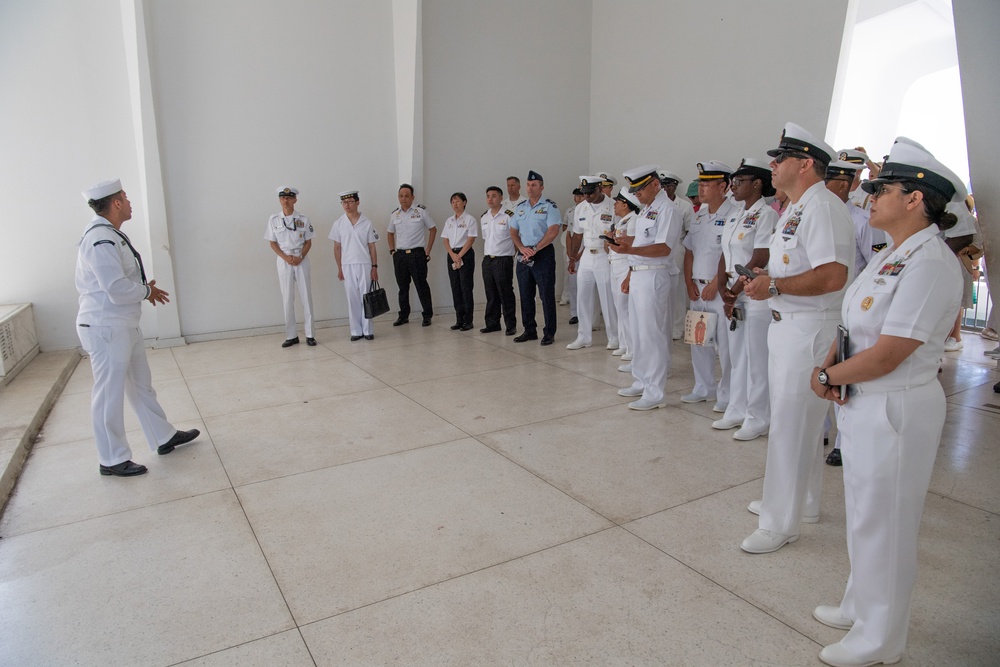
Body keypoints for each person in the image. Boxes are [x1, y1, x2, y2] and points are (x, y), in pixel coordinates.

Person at [808, 141, 964, 667]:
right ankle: (861, 604)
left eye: (881, 190)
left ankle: (882, 637)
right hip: (862, 402)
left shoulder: (931, 264)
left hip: (896, 407)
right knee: (865, 513)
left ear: (916, 199)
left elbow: (891, 353)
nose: (869, 197)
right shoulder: (890, 253)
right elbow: (854, 326)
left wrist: (827, 374)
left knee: (888, 523)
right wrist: (834, 362)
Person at [741, 122, 854, 554]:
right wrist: (771, 282)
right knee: (804, 424)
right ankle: (801, 502)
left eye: (781, 158)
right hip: (790, 325)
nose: (772, 164)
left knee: (790, 426)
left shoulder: (822, 206)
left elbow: (832, 274)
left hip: (807, 327)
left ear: (806, 164)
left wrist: (775, 287)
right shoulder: (796, 206)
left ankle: (778, 523)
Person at [75, 179, 199, 477]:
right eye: (126, 198)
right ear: (116, 203)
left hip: (123, 324)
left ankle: (163, 436)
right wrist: (146, 291)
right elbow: (115, 288)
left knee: (141, 385)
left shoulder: (111, 235)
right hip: (106, 326)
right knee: (108, 394)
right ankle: (111, 458)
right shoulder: (99, 239)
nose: (129, 203)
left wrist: (143, 290)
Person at [714, 158, 778, 441]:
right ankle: (737, 409)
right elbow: (725, 253)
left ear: (757, 184)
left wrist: (735, 291)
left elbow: (760, 257)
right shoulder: (734, 214)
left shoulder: (767, 215)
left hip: (753, 294)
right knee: (736, 356)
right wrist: (722, 288)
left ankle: (758, 417)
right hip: (733, 290)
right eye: (734, 182)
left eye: (740, 182)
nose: (734, 187)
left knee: (756, 359)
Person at [615, 165, 683, 410]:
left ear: (655, 184)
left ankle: (655, 392)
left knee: (652, 335)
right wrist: (625, 241)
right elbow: (645, 241)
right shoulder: (648, 210)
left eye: (640, 188)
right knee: (639, 333)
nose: (637, 194)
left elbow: (664, 248)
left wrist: (630, 249)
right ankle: (641, 380)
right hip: (639, 274)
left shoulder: (668, 210)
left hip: (654, 276)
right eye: (634, 189)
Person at [682, 161, 736, 411]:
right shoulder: (699, 214)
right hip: (697, 287)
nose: (700, 189)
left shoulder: (735, 214)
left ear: (723, 186)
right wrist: (688, 282)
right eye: (700, 183)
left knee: (725, 346)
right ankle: (703, 387)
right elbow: (690, 250)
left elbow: (731, 254)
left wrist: (717, 282)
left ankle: (726, 395)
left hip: (719, 289)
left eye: (706, 184)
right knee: (698, 340)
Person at [509, 170, 561, 345]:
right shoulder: (521, 207)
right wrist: (522, 248)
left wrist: (535, 249)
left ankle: (549, 332)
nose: (530, 188)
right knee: (525, 293)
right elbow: (513, 231)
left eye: (534, 185)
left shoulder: (549, 206)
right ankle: (529, 330)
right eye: (528, 185)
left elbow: (553, 231)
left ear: (541, 187)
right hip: (524, 254)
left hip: (543, 253)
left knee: (546, 294)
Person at [566, 175, 618, 351]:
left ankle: (614, 337)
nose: (586, 196)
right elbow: (577, 235)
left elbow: (619, 234)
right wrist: (573, 259)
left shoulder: (613, 206)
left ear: (599, 189)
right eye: (584, 192)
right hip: (587, 255)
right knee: (583, 296)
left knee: (607, 297)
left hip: (605, 255)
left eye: (590, 193)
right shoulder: (581, 208)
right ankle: (583, 336)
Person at [265, 186, 316, 347]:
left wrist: (300, 256)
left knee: (306, 296)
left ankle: (310, 334)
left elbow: (309, 242)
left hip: (301, 258)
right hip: (284, 260)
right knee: (287, 298)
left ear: (295, 199)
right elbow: (272, 243)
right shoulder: (274, 220)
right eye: (283, 197)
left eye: (289, 197)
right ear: (280, 200)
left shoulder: (303, 219)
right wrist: (286, 257)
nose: (286, 200)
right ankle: (291, 335)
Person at [330, 190, 378, 341]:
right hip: (347, 265)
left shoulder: (367, 222)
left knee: (366, 297)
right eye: (344, 202)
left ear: (357, 202)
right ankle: (356, 331)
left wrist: (374, 267)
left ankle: (367, 330)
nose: (347, 205)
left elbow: (372, 247)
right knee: (352, 299)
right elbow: (337, 247)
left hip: (365, 263)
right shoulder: (338, 224)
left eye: (350, 201)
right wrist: (339, 268)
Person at [387, 183, 436, 327]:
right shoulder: (394, 214)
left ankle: (427, 315)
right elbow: (390, 233)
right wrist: (392, 251)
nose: (403, 198)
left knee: (421, 285)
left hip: (417, 254)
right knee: (402, 288)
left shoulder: (420, 212)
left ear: (412, 197)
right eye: (401, 196)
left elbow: (433, 229)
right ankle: (403, 316)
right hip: (400, 256)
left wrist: (428, 250)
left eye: (407, 196)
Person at [662, 171, 695, 340]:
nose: (665, 189)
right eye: (663, 185)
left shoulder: (684, 206)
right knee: (662, 289)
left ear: (675, 187)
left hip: (678, 250)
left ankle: (677, 326)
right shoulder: (657, 205)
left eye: (669, 186)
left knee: (678, 290)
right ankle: (665, 324)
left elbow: (691, 232)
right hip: (659, 252)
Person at [480, 186, 517, 335]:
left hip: (503, 259)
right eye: (488, 196)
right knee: (491, 293)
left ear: (501, 198)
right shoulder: (484, 217)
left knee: (505, 292)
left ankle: (510, 325)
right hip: (488, 259)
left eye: (494, 196)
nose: (490, 199)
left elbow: (515, 237)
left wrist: (512, 255)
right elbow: (485, 238)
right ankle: (492, 323)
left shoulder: (509, 215)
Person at [609, 187, 641, 364]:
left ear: (626, 204)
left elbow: (633, 246)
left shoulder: (634, 220)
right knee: (619, 307)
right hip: (615, 265)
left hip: (625, 266)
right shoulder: (622, 221)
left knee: (625, 308)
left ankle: (632, 348)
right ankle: (624, 343)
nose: (615, 205)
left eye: (618, 202)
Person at [441, 192, 478, 331]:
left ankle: (468, 321)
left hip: (465, 254)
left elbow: (471, 239)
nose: (455, 204)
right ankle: (459, 319)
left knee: (466, 287)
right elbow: (445, 239)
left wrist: (459, 256)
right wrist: (452, 255)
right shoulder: (449, 221)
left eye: (457, 201)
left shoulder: (470, 220)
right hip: (452, 254)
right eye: (452, 202)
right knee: (455, 287)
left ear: (465, 202)